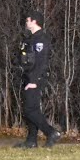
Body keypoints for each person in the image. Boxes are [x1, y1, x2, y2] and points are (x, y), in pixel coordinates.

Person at [17, 10, 63, 149]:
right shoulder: (30, 38)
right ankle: (31, 141)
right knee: (32, 109)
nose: (26, 22)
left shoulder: (41, 39)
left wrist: (34, 81)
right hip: (28, 77)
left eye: (27, 20)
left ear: (34, 21)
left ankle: (51, 132)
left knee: (30, 110)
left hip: (35, 79)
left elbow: (41, 63)